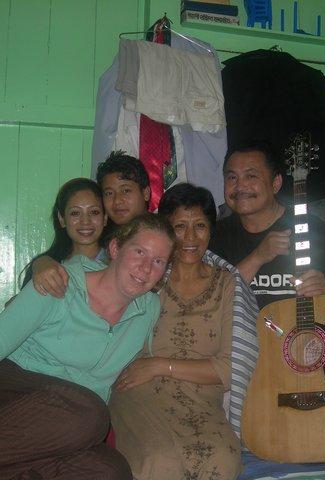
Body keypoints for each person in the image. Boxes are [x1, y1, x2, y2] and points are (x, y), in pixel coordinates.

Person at [0, 213, 175, 480]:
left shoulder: (148, 309)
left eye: (159, 261)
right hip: (3, 395)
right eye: (139, 252)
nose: (146, 267)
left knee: (110, 470)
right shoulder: (58, 284)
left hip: (55, 429)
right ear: (115, 248)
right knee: (90, 412)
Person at [109, 183, 241, 480]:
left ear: (211, 230)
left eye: (200, 226)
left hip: (200, 397)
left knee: (223, 460)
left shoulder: (227, 284)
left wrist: (159, 365)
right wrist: (42, 266)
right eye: (180, 227)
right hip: (140, 390)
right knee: (161, 461)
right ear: (167, 231)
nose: (190, 237)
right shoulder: (148, 275)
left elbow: (229, 369)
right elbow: (96, 278)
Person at [209, 142, 325, 310]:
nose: (239, 186)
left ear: (276, 183)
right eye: (232, 177)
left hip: (302, 327)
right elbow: (209, 302)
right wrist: (258, 257)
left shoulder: (310, 229)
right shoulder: (216, 235)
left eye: (251, 176)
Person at [33, 150, 150, 298]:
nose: (117, 201)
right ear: (62, 218)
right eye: (109, 193)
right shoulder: (107, 252)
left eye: (126, 190)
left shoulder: (165, 238)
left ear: (146, 193)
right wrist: (40, 263)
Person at [20, 177, 106, 292]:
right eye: (75, 213)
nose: (85, 221)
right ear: (62, 219)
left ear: (105, 218)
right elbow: (22, 302)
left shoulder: (118, 263)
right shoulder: (46, 267)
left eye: (94, 212)